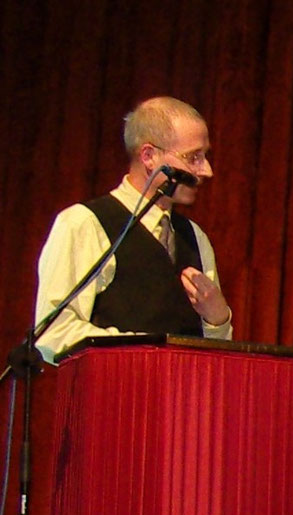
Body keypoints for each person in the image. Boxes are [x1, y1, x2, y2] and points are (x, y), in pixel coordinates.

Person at [32, 96, 232, 362]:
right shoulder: (85, 223)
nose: (206, 170)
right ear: (149, 156)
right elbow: (54, 334)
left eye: (204, 156)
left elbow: (214, 355)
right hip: (110, 398)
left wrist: (218, 319)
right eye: (193, 157)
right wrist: (145, 351)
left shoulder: (195, 237)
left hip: (177, 399)